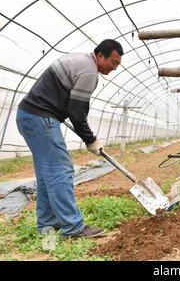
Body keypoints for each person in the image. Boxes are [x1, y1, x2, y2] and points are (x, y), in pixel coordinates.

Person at [16, 39, 123, 238]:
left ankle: (47, 223)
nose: (114, 68)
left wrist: (89, 137)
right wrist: (91, 140)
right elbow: (76, 111)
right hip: (40, 118)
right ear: (100, 55)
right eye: (114, 62)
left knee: (47, 175)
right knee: (60, 170)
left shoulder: (80, 61)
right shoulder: (89, 72)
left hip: (28, 116)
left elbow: (74, 108)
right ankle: (73, 227)